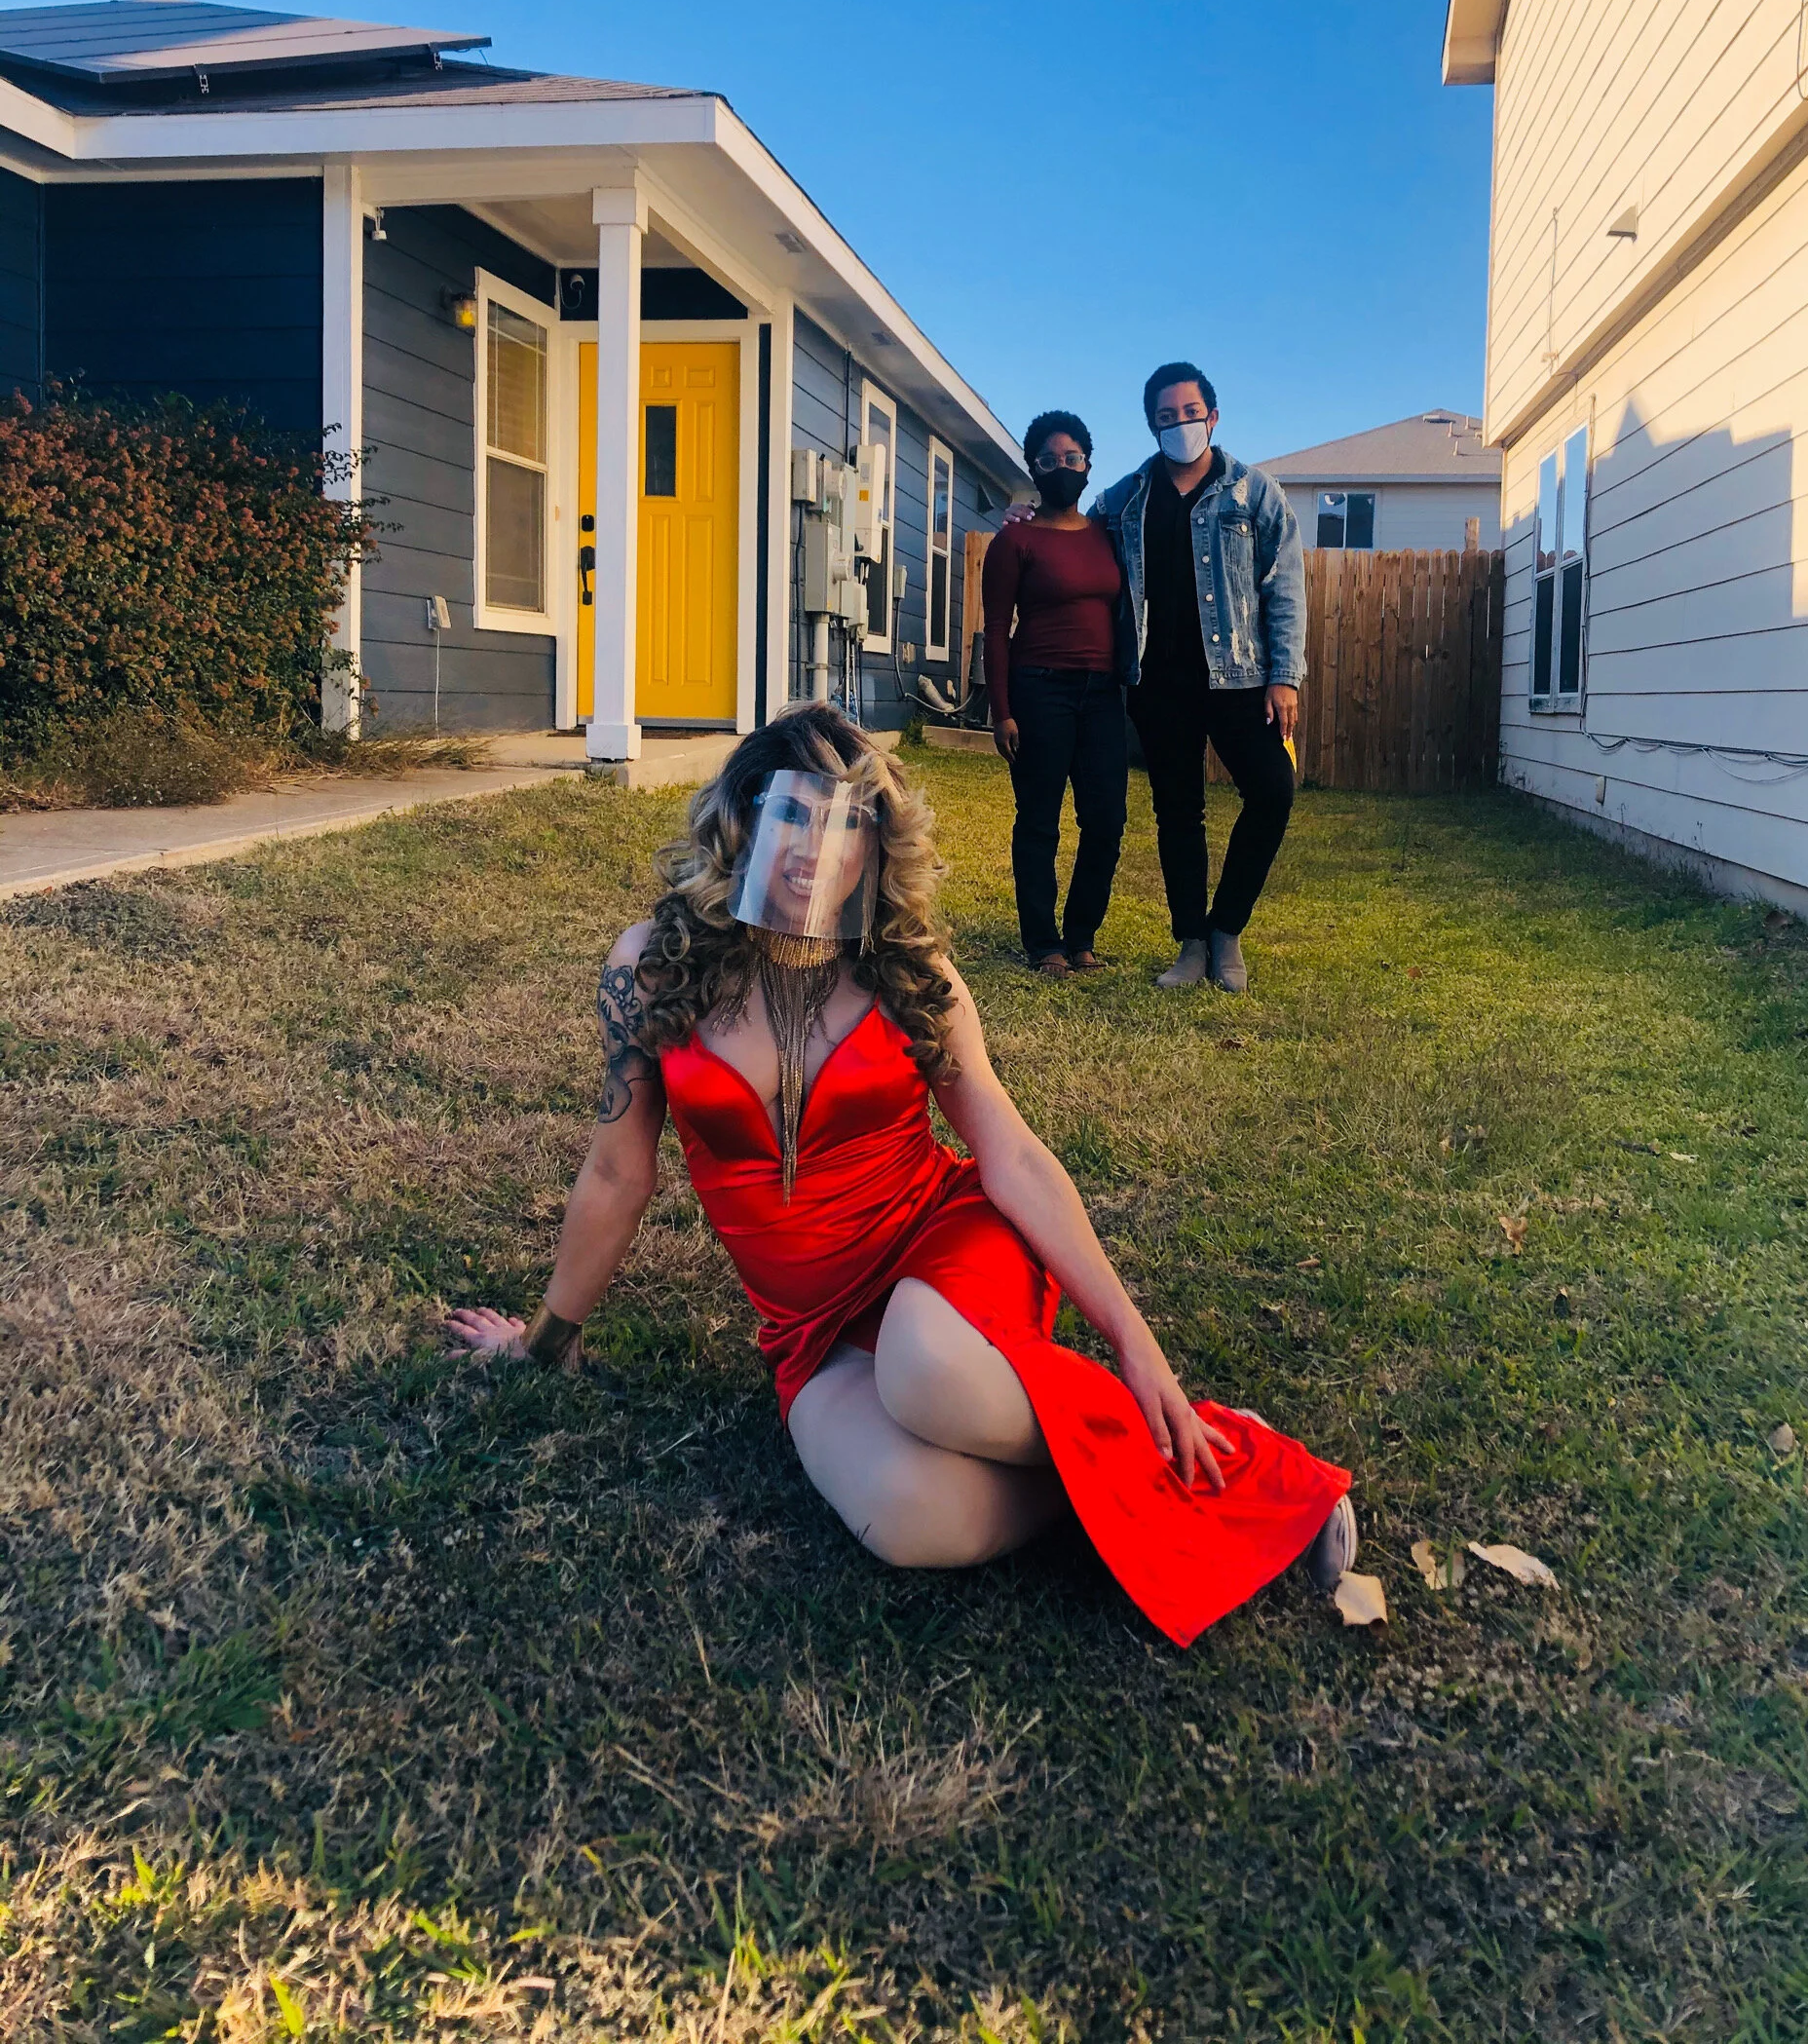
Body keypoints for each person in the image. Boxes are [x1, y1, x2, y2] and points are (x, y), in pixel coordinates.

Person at [446, 702, 1355, 1647]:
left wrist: (1132, 1339)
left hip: (944, 1253)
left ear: (873, 848)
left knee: (926, 1372)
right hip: (812, 1331)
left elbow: (1009, 1150)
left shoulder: (908, 972)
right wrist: (549, 1338)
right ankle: (1124, 1469)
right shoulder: (657, 966)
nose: (812, 847)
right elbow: (616, 1171)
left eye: (847, 822)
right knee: (910, 1518)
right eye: (790, 811)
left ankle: (1227, 1452)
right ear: (742, 817)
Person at [1092, 362, 1304, 995]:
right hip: (1159, 685)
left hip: (1240, 679)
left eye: (1190, 413)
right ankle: (1190, 943)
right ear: (1152, 425)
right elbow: (1077, 536)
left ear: (1212, 416)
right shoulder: (1127, 497)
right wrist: (1032, 520)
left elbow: (1285, 586)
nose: (1179, 425)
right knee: (1177, 813)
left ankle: (1226, 931)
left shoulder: (1253, 493)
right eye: (1166, 417)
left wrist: (1285, 675)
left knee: (1273, 790)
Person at [981, 411, 1128, 977]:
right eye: (1048, 460)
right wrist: (1002, 712)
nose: (1061, 468)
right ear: (1033, 469)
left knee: (1106, 820)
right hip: (1038, 690)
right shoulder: (1014, 540)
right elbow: (996, 628)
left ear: (1089, 464)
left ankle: (1082, 936)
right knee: (1040, 820)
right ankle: (1043, 942)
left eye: (1072, 459)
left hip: (1102, 695)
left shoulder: (1106, 534)